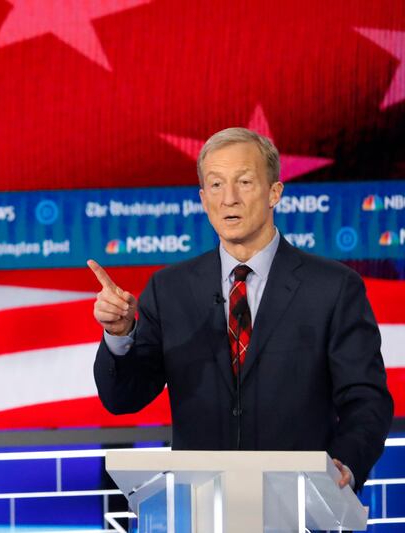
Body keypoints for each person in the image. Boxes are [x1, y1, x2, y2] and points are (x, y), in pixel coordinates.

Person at [88, 127, 392, 490]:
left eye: (244, 182)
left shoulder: (333, 288)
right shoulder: (170, 289)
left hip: (300, 504)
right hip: (200, 508)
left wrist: (345, 462)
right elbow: (124, 399)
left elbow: (366, 398)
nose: (228, 198)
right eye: (216, 185)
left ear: (274, 192)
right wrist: (120, 335)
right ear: (203, 199)